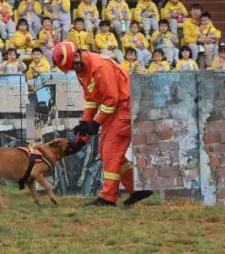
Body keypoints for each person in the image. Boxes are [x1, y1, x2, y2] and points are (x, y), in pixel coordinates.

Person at [52, 41, 151, 208]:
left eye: (74, 65)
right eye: (71, 68)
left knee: (111, 151)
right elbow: (91, 100)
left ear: (78, 54)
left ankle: (108, 198)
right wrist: (83, 132)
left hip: (125, 107)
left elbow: (111, 99)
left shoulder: (100, 66)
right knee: (106, 152)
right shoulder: (81, 69)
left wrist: (95, 124)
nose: (75, 69)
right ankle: (137, 189)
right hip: (115, 109)